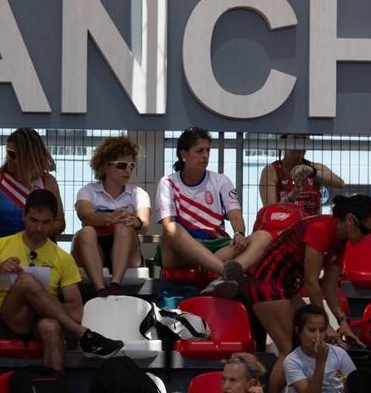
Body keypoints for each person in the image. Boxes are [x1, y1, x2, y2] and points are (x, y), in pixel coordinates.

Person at [0, 189, 124, 370]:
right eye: (33, 221)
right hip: (11, 319)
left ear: (55, 222)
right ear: (24, 216)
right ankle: (83, 335)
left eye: (46, 222)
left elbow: (76, 310)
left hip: (44, 320)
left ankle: (56, 389)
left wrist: (41, 301)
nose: (39, 228)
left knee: (52, 328)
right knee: (26, 281)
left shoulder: (62, 258)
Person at [244, 192, 371, 357]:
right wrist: (326, 325)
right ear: (350, 219)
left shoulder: (341, 240)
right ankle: (277, 384)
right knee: (291, 350)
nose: (365, 237)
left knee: (304, 347)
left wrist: (343, 323)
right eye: (364, 230)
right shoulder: (321, 229)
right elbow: (311, 282)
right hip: (266, 281)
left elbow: (330, 287)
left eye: (370, 232)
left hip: (286, 284)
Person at [157, 127, 261, 290]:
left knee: (262, 237)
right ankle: (225, 272)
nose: (205, 155)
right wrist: (206, 258)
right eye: (199, 151)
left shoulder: (221, 180)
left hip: (218, 245)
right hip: (183, 251)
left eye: (207, 150)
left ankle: (213, 269)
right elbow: (168, 225)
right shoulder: (168, 182)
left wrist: (239, 232)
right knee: (171, 228)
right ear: (183, 154)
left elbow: (235, 214)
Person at [72, 136, 151, 296]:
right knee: (86, 232)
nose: (128, 170)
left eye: (131, 165)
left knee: (124, 227)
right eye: (122, 165)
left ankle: (115, 284)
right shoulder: (89, 191)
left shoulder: (138, 193)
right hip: (95, 249)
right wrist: (111, 217)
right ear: (105, 167)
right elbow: (86, 217)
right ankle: (100, 289)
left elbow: (144, 225)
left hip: (127, 251)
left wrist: (134, 221)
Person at [0, 128, 57, 244]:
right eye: (7, 152)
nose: (7, 158)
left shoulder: (47, 181)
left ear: (27, 156)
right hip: (1, 248)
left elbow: (60, 223)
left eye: (12, 154)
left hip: (38, 247)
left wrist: (34, 233)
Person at [274, 303, 352, 393]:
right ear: (298, 331)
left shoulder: (339, 354)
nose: (318, 336)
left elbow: (353, 386)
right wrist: (320, 362)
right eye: (312, 330)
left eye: (322, 330)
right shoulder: (292, 360)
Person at [259, 133, 345, 216]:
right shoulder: (271, 171)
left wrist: (313, 172)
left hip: (311, 227)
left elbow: (340, 183)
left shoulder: (314, 167)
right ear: (283, 142)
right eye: (295, 139)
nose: (300, 144)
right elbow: (270, 211)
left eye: (304, 139)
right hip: (284, 226)